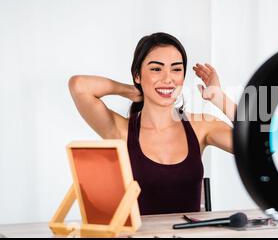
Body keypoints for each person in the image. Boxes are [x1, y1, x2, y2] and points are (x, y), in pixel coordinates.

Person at [68, 32, 236, 215]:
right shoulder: (121, 131)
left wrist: (219, 98)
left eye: (176, 69)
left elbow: (259, 146)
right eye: (156, 69)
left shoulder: (201, 126)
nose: (167, 78)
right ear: (137, 75)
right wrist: (130, 91)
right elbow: (79, 86)